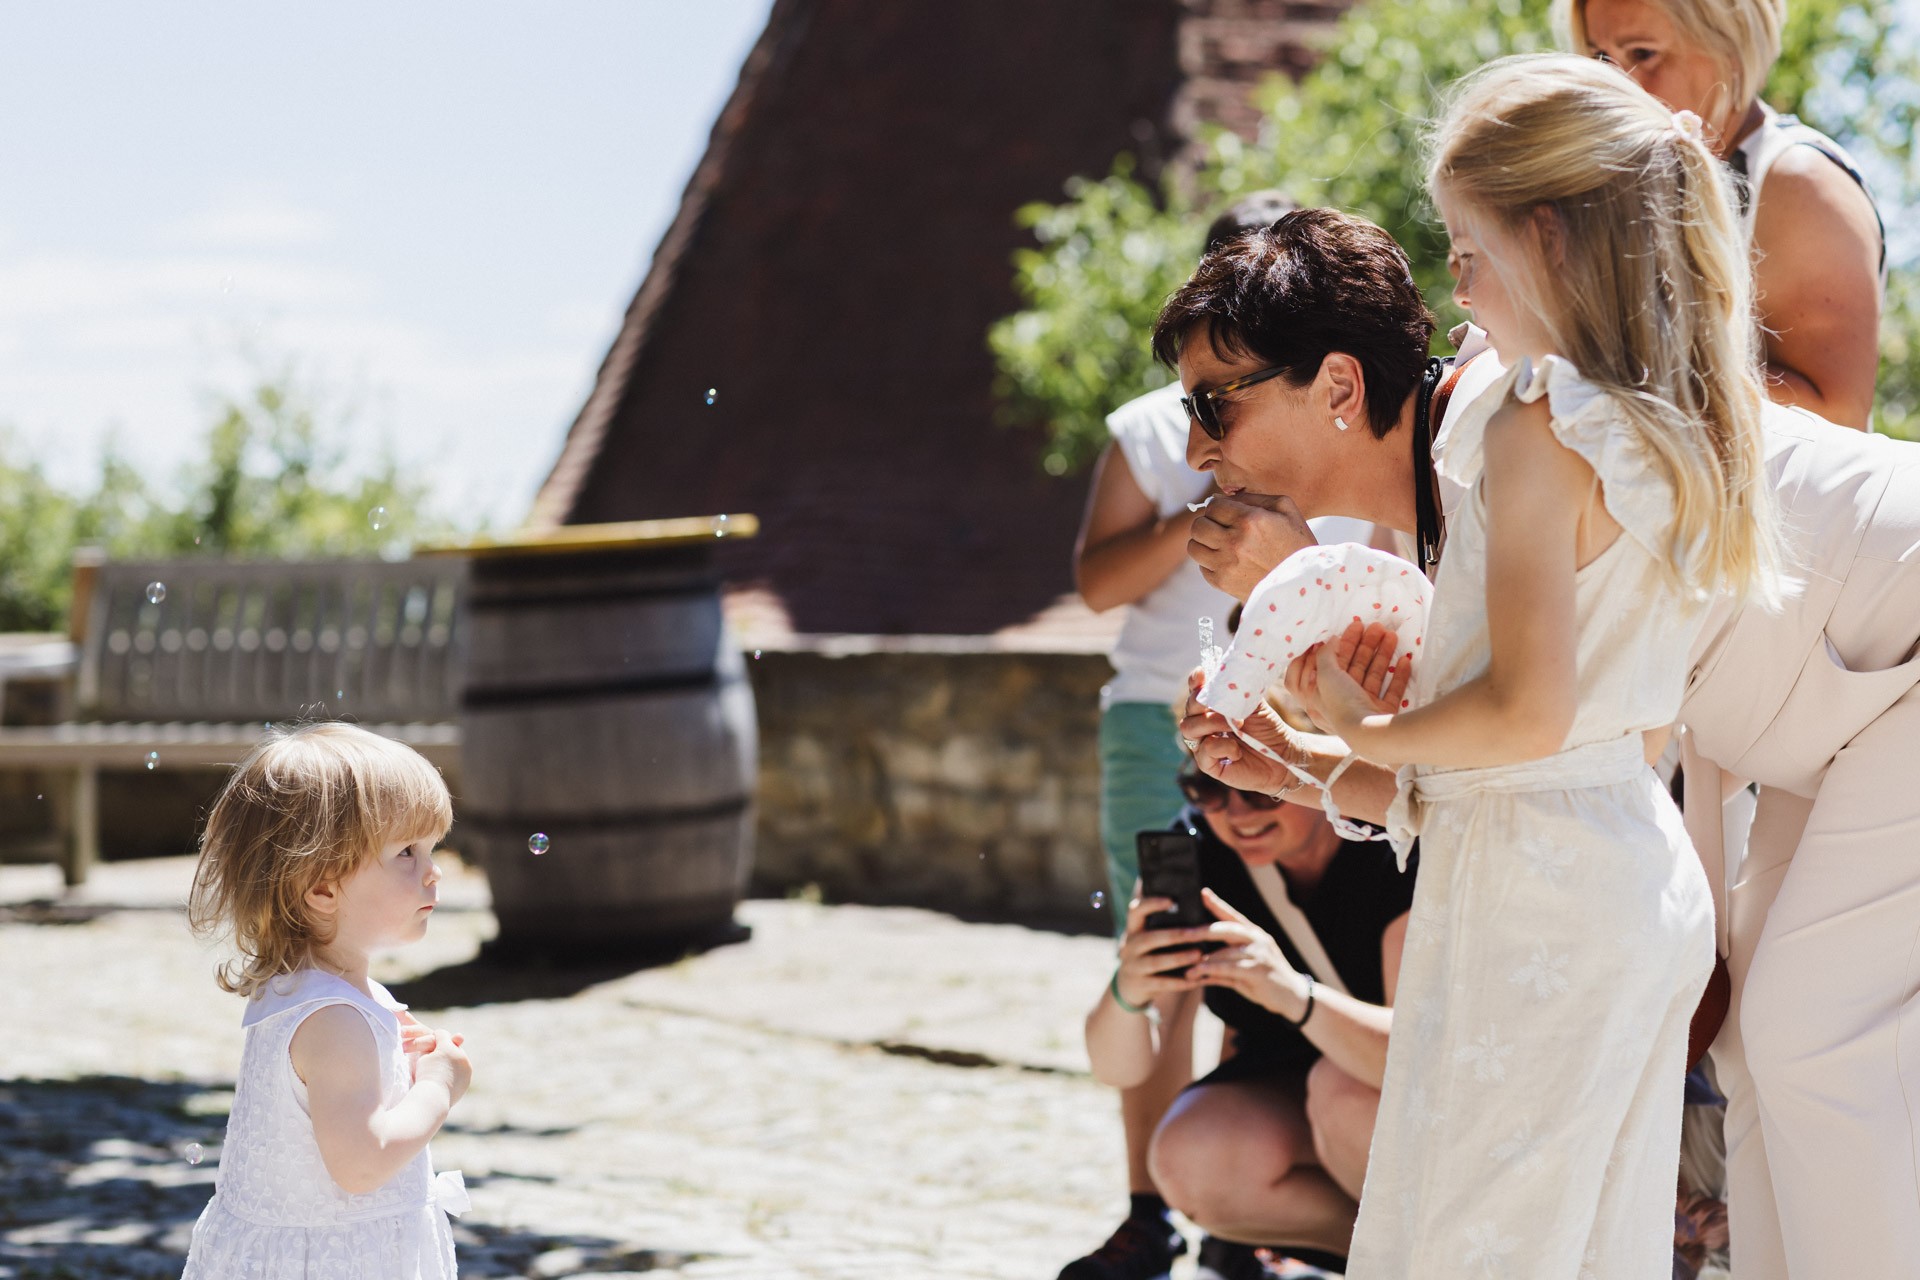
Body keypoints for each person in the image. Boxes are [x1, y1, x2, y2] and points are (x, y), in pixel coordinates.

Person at [1172, 187, 1920, 1280]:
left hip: (1894, 639)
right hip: (1820, 712)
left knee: (1813, 1037)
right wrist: (1300, 763)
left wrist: (1301, 591)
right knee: (1768, 1056)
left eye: (1213, 405)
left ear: (1337, 384)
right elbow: (1511, 780)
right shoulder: (1448, 493)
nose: (1196, 452)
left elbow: (1528, 733)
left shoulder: (1505, 430)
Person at [1064, 188, 1353, 1280]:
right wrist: (1199, 517)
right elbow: (1093, 580)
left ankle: (1247, 1220)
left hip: (1289, 709)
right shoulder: (1152, 429)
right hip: (1158, 715)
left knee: (1262, 947)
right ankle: (1149, 1202)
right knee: (1168, 945)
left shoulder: (1326, 420)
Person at [1085, 767, 1411, 1278]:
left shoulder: (1390, 841)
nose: (1236, 814)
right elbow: (1119, 1069)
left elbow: (1418, 1063)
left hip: (1400, 1097)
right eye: (1210, 788)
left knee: (1340, 1095)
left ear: (1313, 765)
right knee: (1192, 1155)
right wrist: (1129, 989)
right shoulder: (1196, 852)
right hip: (1293, 1092)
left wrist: (1292, 994)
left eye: (1259, 786)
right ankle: (1395, 1261)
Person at [183, 723, 472, 1280]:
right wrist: (437, 1088)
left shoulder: (309, 991)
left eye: (431, 848)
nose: (434, 870)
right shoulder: (334, 1021)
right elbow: (363, 1165)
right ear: (321, 888)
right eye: (407, 853)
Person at [1562, 0, 1885, 429]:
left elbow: (1836, 412)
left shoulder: (1796, 180)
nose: (1618, 84)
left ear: (1728, 44)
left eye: (1642, 54)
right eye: (1601, 57)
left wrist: (1623, 362)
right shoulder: (1634, 185)